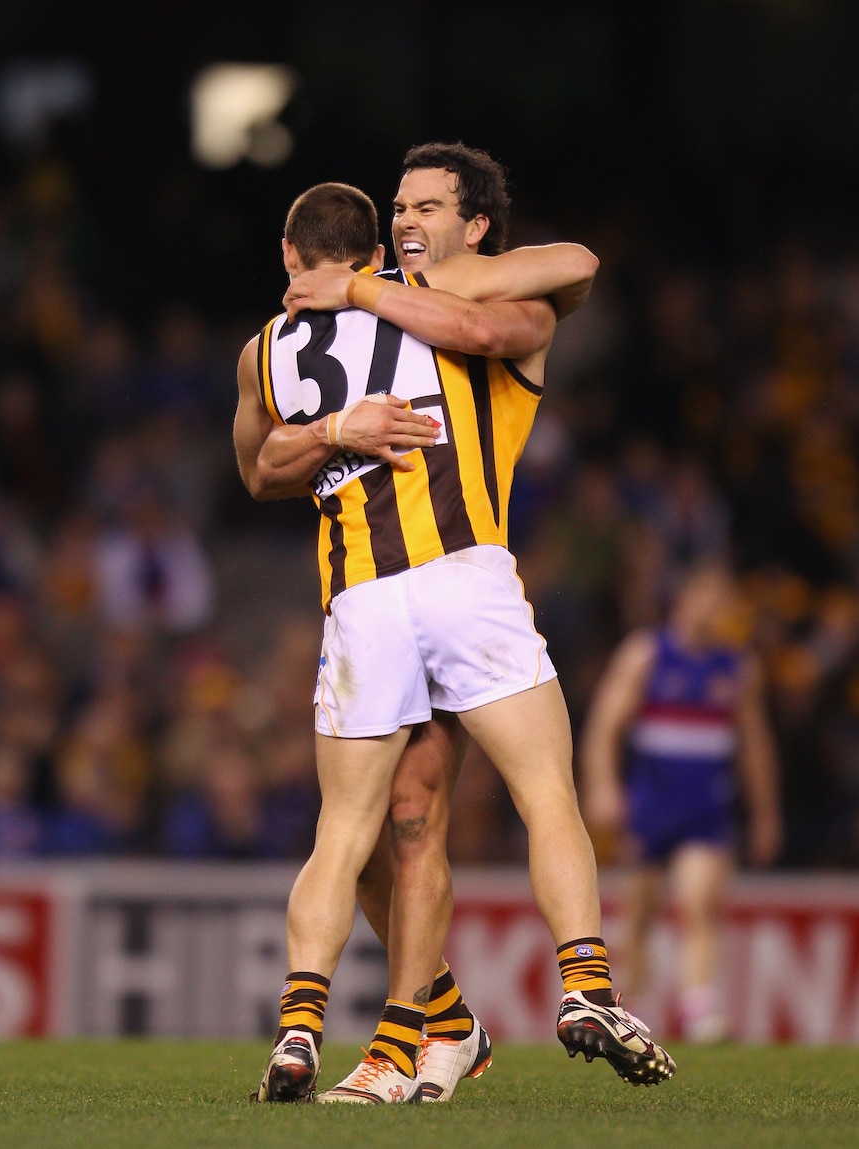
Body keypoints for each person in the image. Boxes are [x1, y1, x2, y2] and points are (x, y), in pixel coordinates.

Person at [234, 150, 674, 1104]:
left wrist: (356, 292)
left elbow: (554, 277)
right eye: (397, 207)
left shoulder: (438, 295)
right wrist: (338, 427)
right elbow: (262, 467)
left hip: (410, 589)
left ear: (477, 225)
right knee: (408, 822)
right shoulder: (335, 321)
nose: (408, 221)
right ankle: (450, 1025)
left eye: (428, 205)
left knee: (376, 825)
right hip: (421, 592)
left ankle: (383, 1031)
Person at [580, 560, 782, 1042]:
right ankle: (629, 1008)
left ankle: (699, 1007)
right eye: (711, 598)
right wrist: (603, 786)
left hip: (706, 806)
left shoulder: (736, 667)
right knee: (641, 913)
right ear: (686, 600)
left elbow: (755, 745)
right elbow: (604, 726)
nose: (720, 609)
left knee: (699, 903)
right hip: (651, 803)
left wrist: (765, 813)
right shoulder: (647, 655)